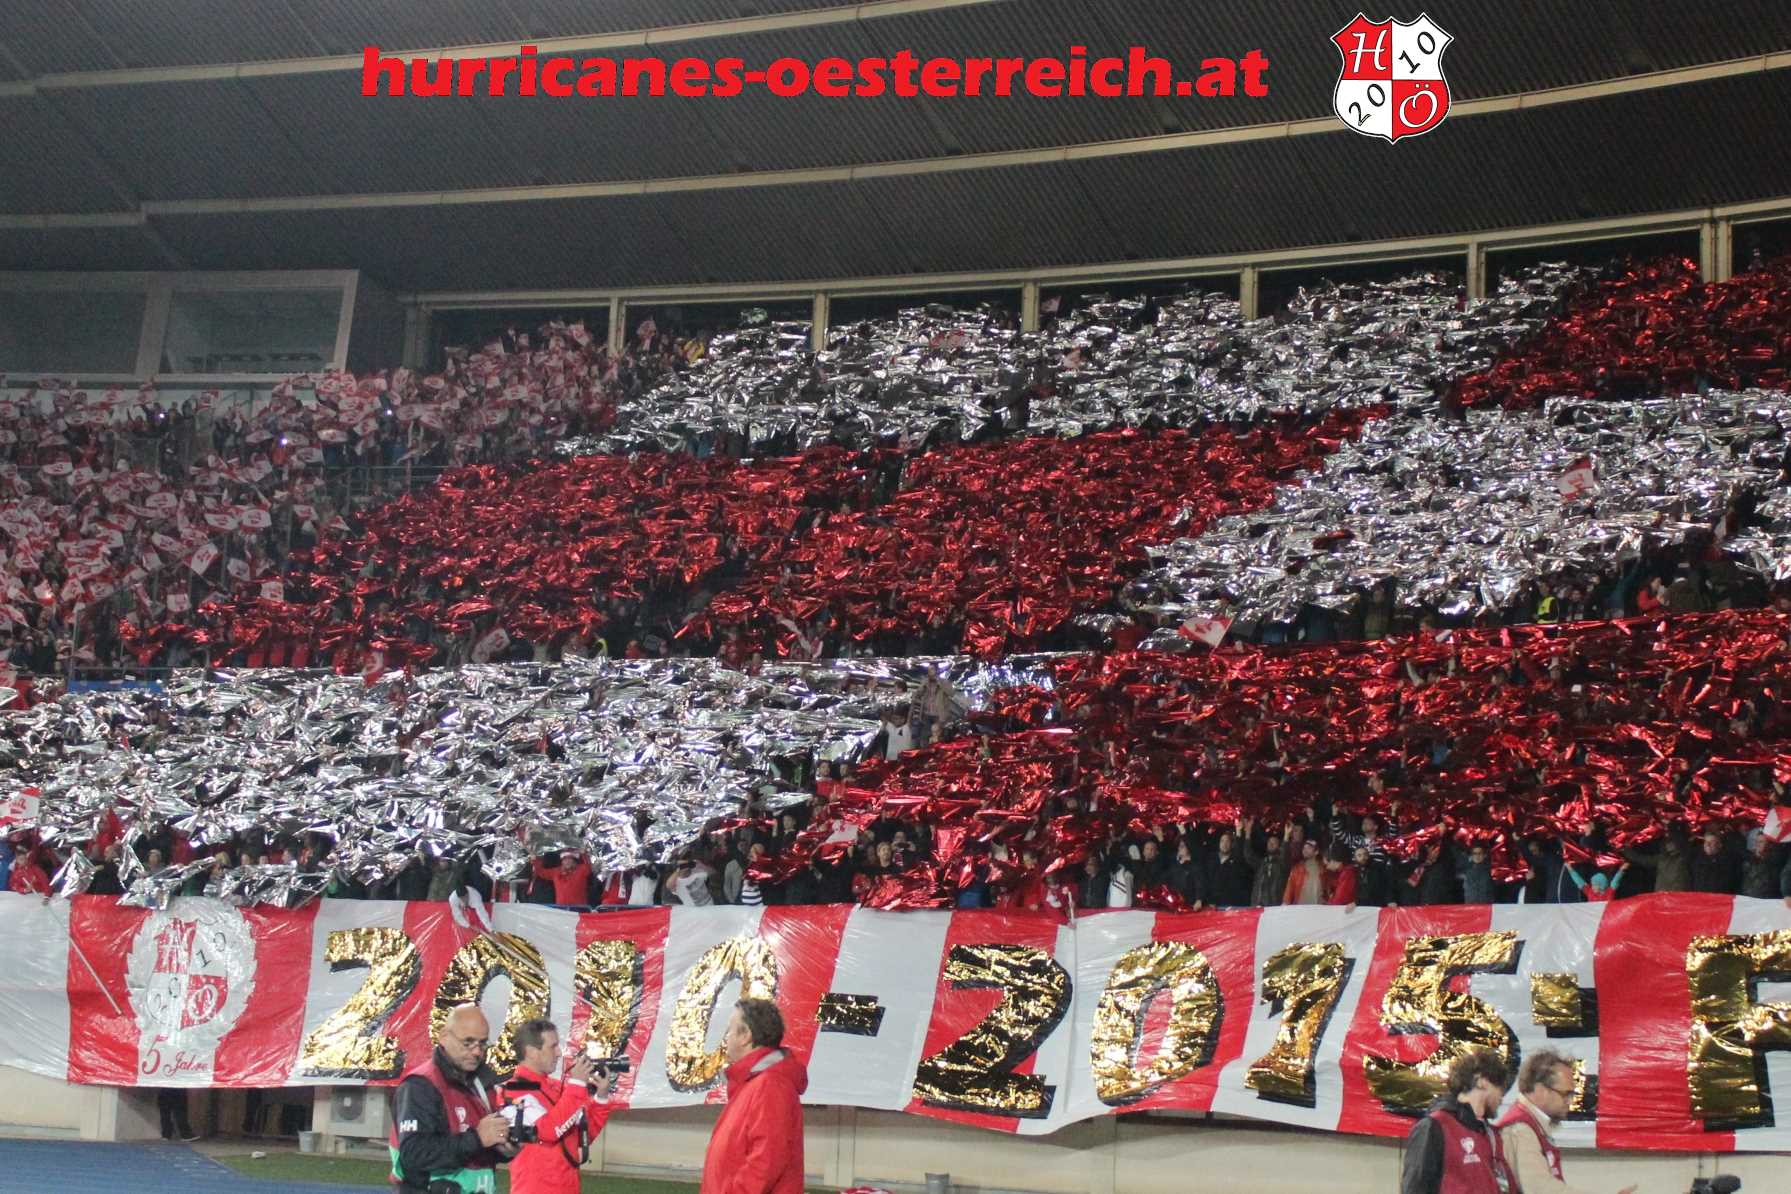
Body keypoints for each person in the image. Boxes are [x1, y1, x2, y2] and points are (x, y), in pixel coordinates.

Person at [390, 1004, 513, 1193]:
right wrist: (477, 1138)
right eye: (468, 1042)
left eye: (482, 1043)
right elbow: (414, 1154)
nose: (476, 1052)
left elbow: (479, 1151)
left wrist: (504, 1149)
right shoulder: (420, 1085)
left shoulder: (482, 1083)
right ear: (444, 1037)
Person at [700, 999, 808, 1194]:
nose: (726, 1038)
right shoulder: (754, 1084)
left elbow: (765, 1162)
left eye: (730, 1030)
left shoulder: (771, 1085)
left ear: (745, 1036)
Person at [496, 1018, 615, 1194]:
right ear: (531, 1052)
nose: (559, 1053)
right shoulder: (513, 1091)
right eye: (553, 1047)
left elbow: (582, 1137)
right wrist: (577, 1084)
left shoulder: (556, 1088)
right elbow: (548, 1131)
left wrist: (601, 1098)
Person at [1498, 1050, 1635, 1194]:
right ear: (1541, 1090)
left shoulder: (1531, 1125)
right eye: (1566, 1094)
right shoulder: (1520, 1130)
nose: (1570, 1102)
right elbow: (1541, 1189)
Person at [1399, 1048, 1514, 1194]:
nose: (1501, 1098)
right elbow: (1415, 1188)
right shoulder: (1434, 1126)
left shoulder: (1491, 1135)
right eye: (1500, 1088)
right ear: (1482, 1082)